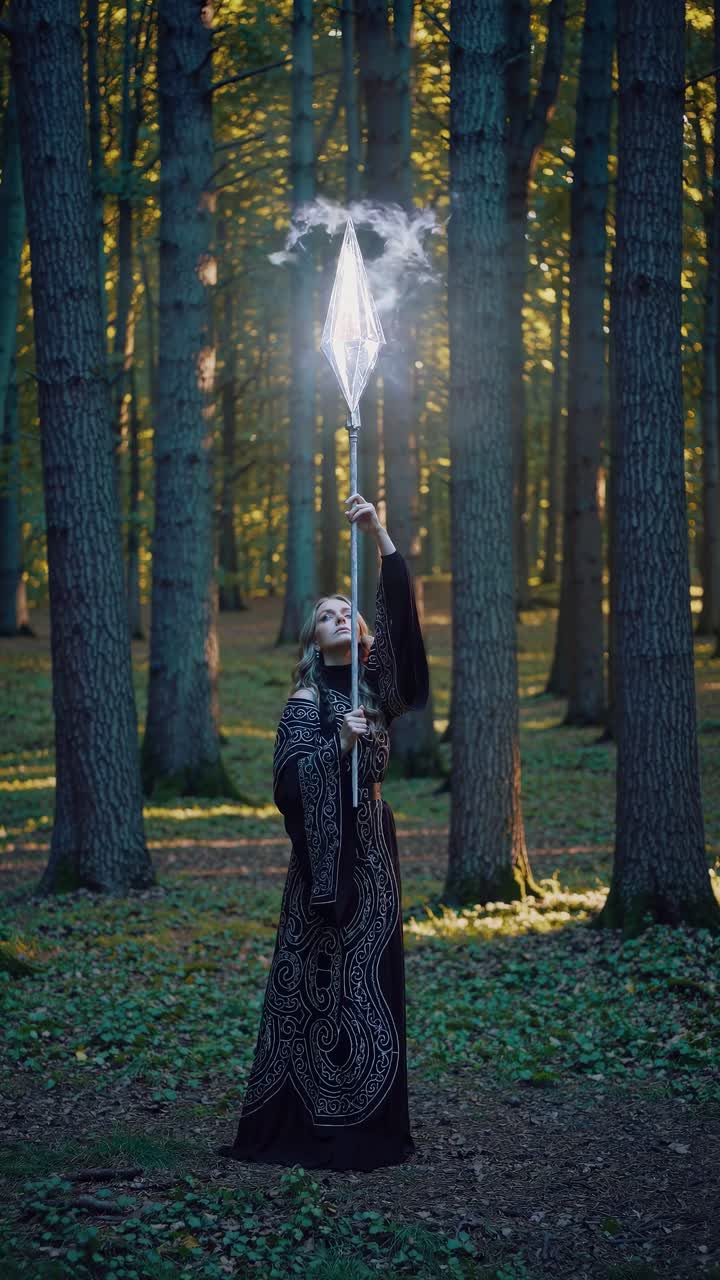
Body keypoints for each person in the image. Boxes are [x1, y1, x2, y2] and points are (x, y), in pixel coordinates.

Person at [218, 493, 429, 1171]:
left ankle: (368, 1127)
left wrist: (379, 534)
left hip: (373, 849)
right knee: (317, 983)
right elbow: (286, 783)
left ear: (362, 634)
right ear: (312, 641)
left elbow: (405, 632)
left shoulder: (375, 687)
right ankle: (307, 1124)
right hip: (322, 861)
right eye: (326, 615)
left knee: (370, 985)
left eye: (347, 613)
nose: (339, 617)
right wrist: (337, 745)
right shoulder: (306, 699)